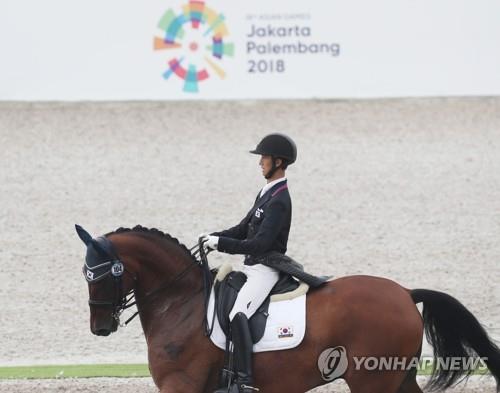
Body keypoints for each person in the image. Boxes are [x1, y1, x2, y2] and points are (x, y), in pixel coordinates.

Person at [201, 133, 297, 393]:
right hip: (252, 267)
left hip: (265, 269)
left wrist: (221, 245)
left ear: (278, 162)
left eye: (264, 158)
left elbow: (259, 245)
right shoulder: (267, 192)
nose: (260, 163)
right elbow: (244, 228)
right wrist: (215, 236)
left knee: (237, 314)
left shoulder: (280, 200)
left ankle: (244, 381)